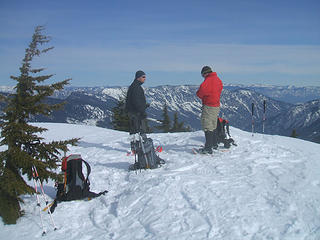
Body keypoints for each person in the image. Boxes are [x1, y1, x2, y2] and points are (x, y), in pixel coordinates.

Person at [196, 66, 223, 154]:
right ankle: (214, 144)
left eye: (202, 75)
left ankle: (208, 148)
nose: (203, 77)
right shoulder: (217, 79)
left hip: (208, 105)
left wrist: (203, 95)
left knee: (207, 125)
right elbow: (220, 88)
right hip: (216, 105)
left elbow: (200, 93)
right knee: (213, 124)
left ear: (205, 73)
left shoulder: (208, 81)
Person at [125, 70, 148, 148]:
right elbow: (136, 101)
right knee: (136, 130)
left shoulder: (135, 86)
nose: (145, 78)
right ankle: (136, 148)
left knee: (134, 130)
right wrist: (142, 111)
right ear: (138, 78)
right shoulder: (136, 87)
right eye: (143, 77)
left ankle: (135, 147)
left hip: (134, 112)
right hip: (135, 113)